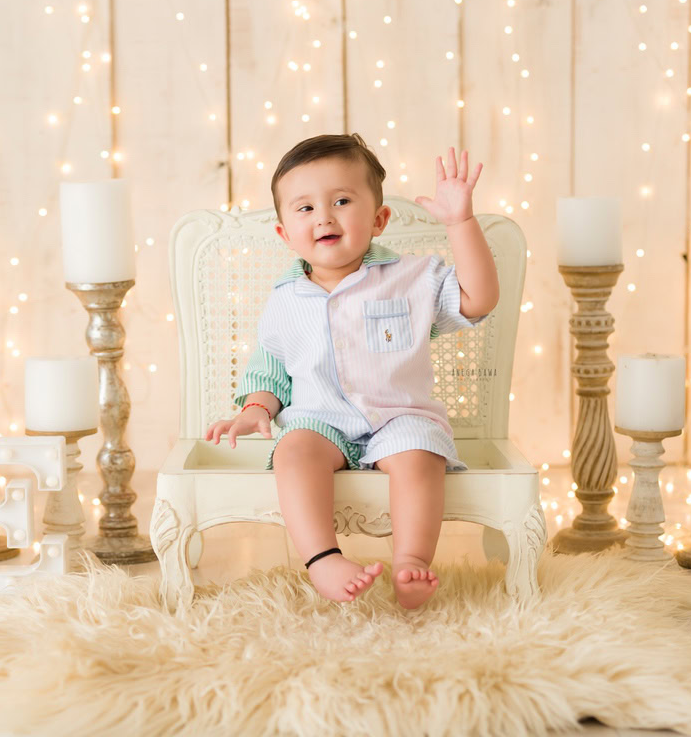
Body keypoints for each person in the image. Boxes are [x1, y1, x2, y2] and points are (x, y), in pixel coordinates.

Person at [205, 133, 499, 610]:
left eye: (342, 200)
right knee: (293, 452)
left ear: (378, 219)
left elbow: (479, 299)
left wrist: (460, 222)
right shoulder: (284, 301)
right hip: (321, 422)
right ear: (283, 233)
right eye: (304, 208)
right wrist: (256, 410)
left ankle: (410, 562)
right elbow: (272, 371)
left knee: (419, 454)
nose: (324, 216)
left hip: (398, 416)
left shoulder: (412, 278)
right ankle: (322, 559)